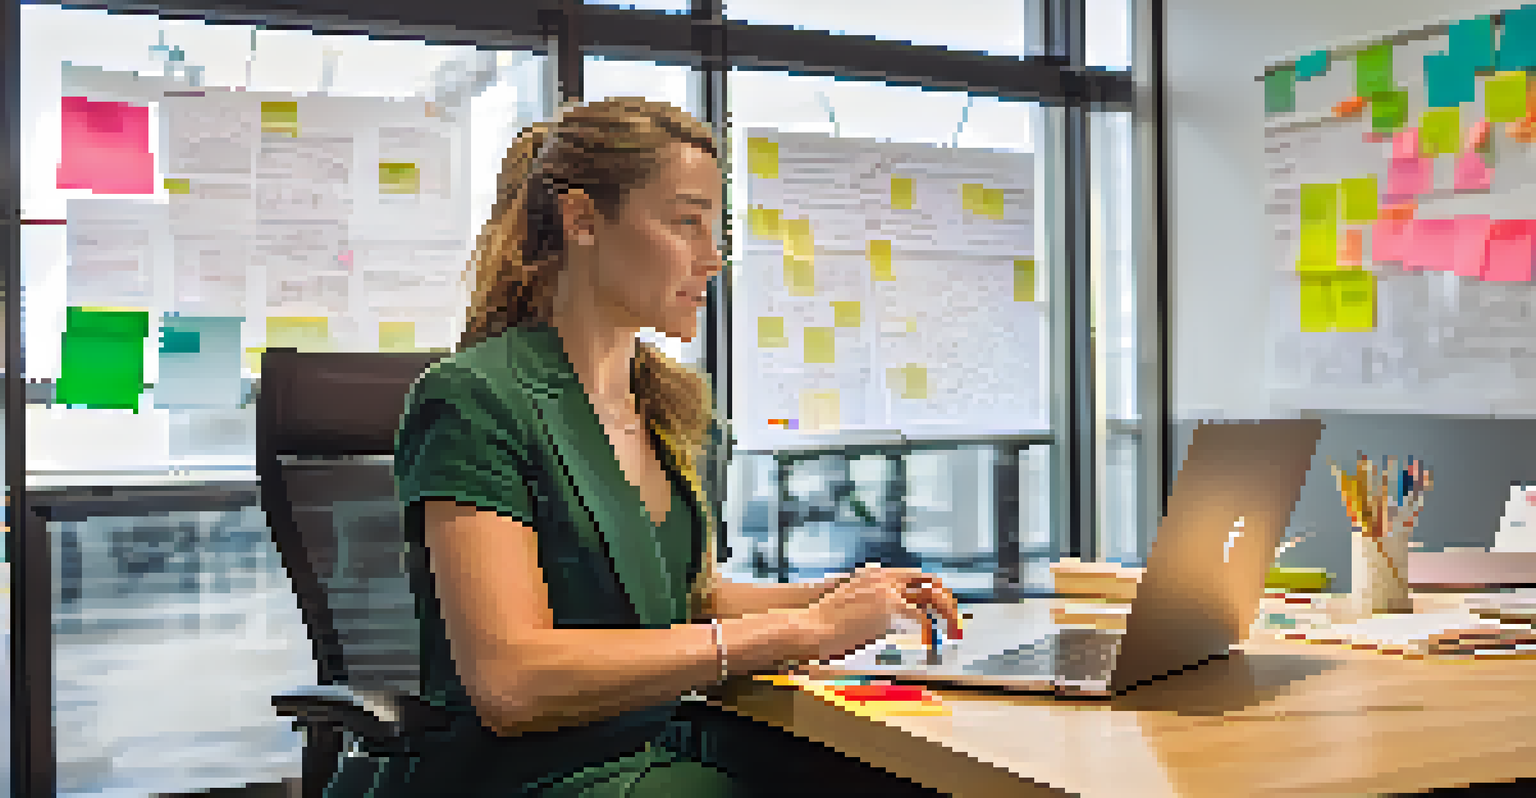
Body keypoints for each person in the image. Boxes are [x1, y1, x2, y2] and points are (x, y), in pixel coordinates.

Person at [369, 97, 963, 798]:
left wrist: (842, 598)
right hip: (526, 775)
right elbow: (512, 682)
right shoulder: (475, 398)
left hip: (654, 741)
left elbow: (679, 600)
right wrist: (800, 631)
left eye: (715, 229)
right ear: (582, 220)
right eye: (686, 222)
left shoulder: (667, 405)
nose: (712, 257)